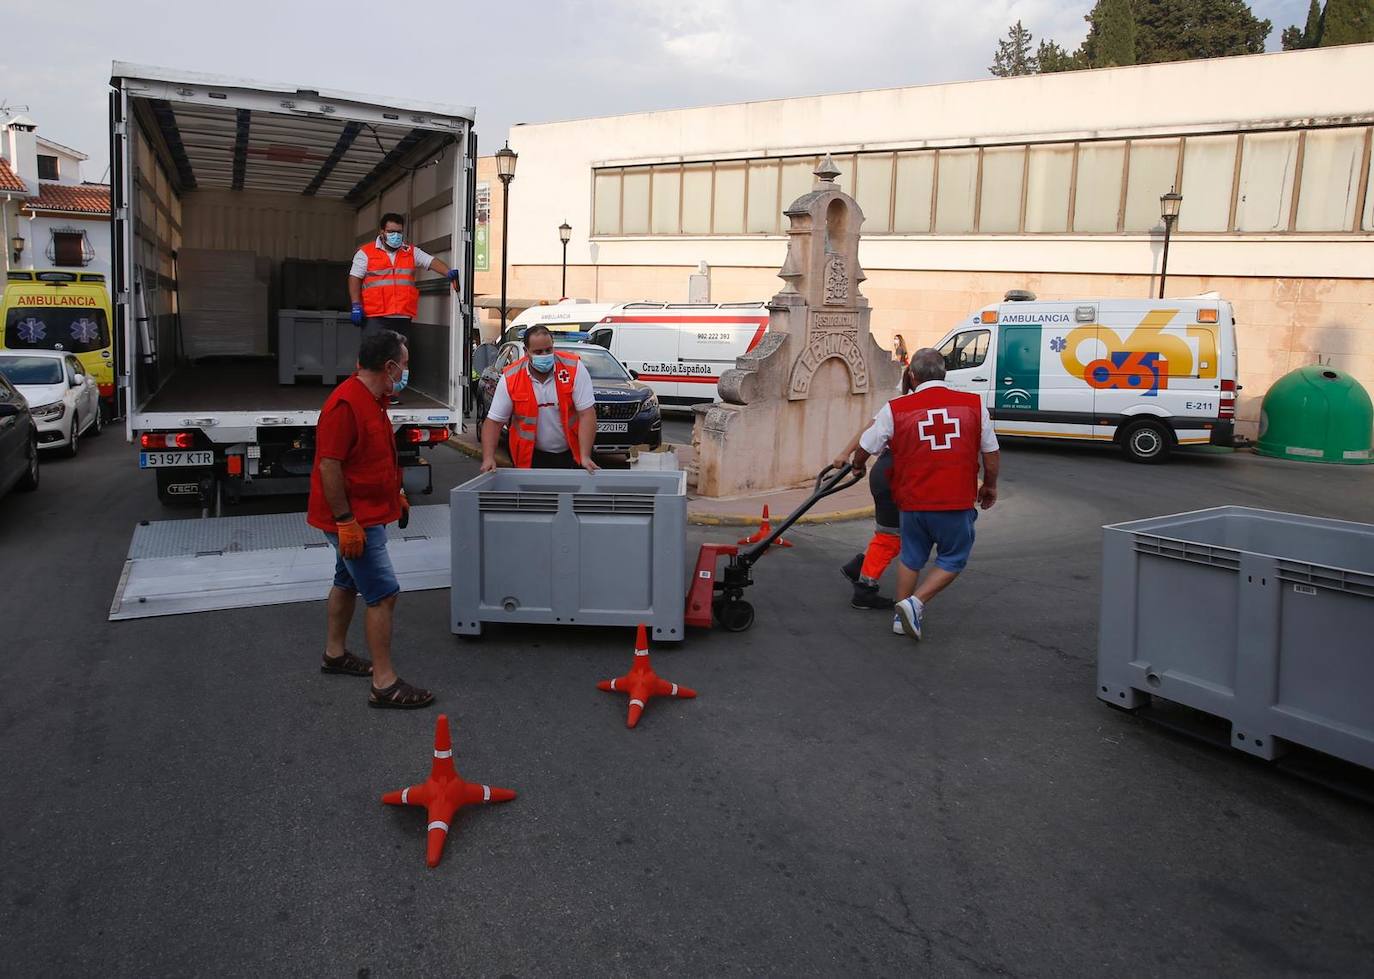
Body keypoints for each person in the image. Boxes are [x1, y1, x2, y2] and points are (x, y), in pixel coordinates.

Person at [307, 329, 433, 709]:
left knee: (345, 582)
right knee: (383, 594)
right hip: (354, 520)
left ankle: (334, 654)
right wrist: (346, 520)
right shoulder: (346, 404)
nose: (406, 371)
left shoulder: (375, 399)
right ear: (390, 365)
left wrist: (395, 494)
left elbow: (374, 458)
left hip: (367, 513)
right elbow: (330, 466)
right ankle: (384, 683)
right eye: (405, 364)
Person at [845, 348, 1000, 642]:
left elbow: (867, 443)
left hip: (912, 500)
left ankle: (900, 620)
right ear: (944, 374)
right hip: (954, 500)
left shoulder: (897, 407)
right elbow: (991, 451)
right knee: (954, 557)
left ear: (912, 376)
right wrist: (989, 485)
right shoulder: (973, 404)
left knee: (911, 557)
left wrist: (856, 465)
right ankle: (914, 603)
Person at [348, 213, 460, 402]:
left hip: (401, 316)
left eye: (399, 232)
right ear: (382, 232)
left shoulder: (410, 251)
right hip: (376, 316)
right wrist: (356, 305)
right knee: (371, 357)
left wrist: (448, 272)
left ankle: (392, 394)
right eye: (391, 231)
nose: (396, 236)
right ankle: (366, 394)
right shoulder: (365, 253)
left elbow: (431, 262)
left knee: (398, 359)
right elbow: (354, 278)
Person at [834, 358, 918, 609]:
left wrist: (845, 454)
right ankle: (865, 588)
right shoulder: (899, 406)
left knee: (901, 533)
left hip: (895, 474)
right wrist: (847, 456)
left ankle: (859, 566)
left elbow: (867, 432)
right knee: (891, 535)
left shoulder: (898, 405)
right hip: (894, 475)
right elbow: (868, 434)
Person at [480, 325, 599, 473]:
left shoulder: (574, 368)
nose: (544, 355)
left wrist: (585, 456)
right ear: (526, 352)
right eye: (538, 352)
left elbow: (586, 413)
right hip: (530, 456)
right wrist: (488, 458)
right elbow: (494, 422)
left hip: (571, 452)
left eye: (548, 350)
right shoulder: (511, 378)